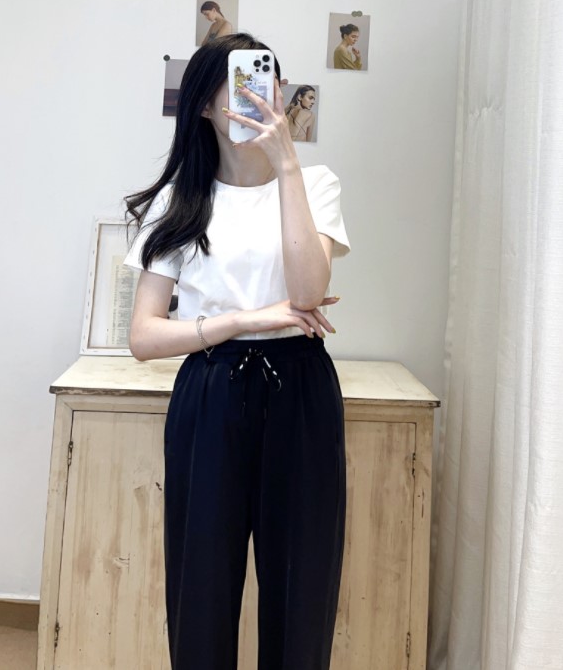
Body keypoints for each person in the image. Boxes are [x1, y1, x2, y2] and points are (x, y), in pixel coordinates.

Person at [124, 33, 350, 670]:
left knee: (303, 581)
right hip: (211, 388)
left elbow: (308, 293)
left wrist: (287, 163)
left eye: (268, 78)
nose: (260, 93)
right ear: (205, 104)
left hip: (300, 388)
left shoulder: (315, 183)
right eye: (243, 81)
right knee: (201, 582)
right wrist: (242, 321)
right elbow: (144, 336)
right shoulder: (180, 201)